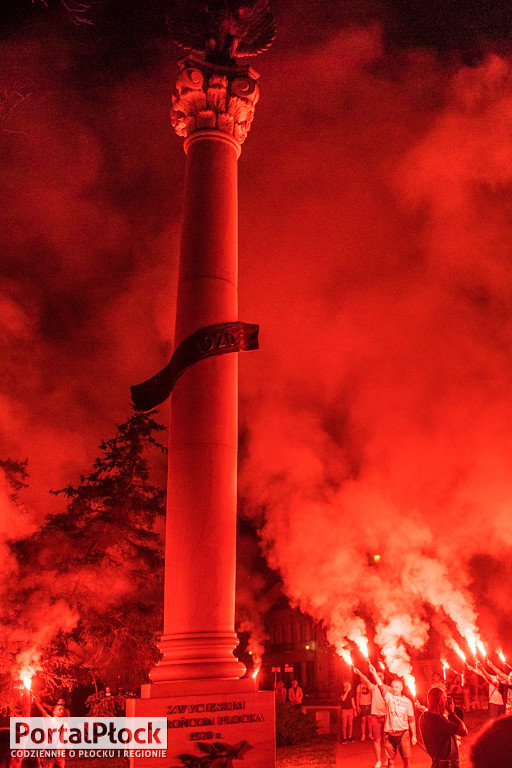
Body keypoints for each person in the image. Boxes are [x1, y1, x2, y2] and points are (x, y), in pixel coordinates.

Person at [367, 662, 417, 768]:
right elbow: (381, 686)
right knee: (390, 762)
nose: (394, 689)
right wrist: (374, 673)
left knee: (406, 761)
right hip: (390, 735)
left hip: (404, 734)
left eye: (397, 687)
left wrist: (414, 735)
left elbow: (411, 719)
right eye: (393, 687)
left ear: (401, 688)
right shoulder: (389, 697)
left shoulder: (408, 702)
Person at [419, 686, 467, 768]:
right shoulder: (439, 721)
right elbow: (464, 731)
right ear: (440, 701)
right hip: (447, 765)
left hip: (437, 763)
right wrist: (452, 713)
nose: (446, 702)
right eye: (445, 698)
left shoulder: (423, 717)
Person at [354, 665, 392, 768]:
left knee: (386, 740)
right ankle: (378, 760)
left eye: (380, 675)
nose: (378, 677)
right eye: (377, 675)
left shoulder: (388, 688)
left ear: (383, 677)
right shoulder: (373, 688)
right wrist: (359, 672)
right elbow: (366, 681)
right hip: (375, 717)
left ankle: (387, 759)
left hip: (386, 717)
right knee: (377, 740)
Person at [357, 677, 373, 741]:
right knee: (363, 720)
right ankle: (363, 735)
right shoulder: (359, 686)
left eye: (363, 678)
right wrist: (357, 706)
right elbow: (357, 696)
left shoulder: (369, 685)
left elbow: (372, 694)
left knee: (369, 719)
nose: (362, 680)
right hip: (362, 704)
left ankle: (370, 734)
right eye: (361, 679)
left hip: (369, 704)